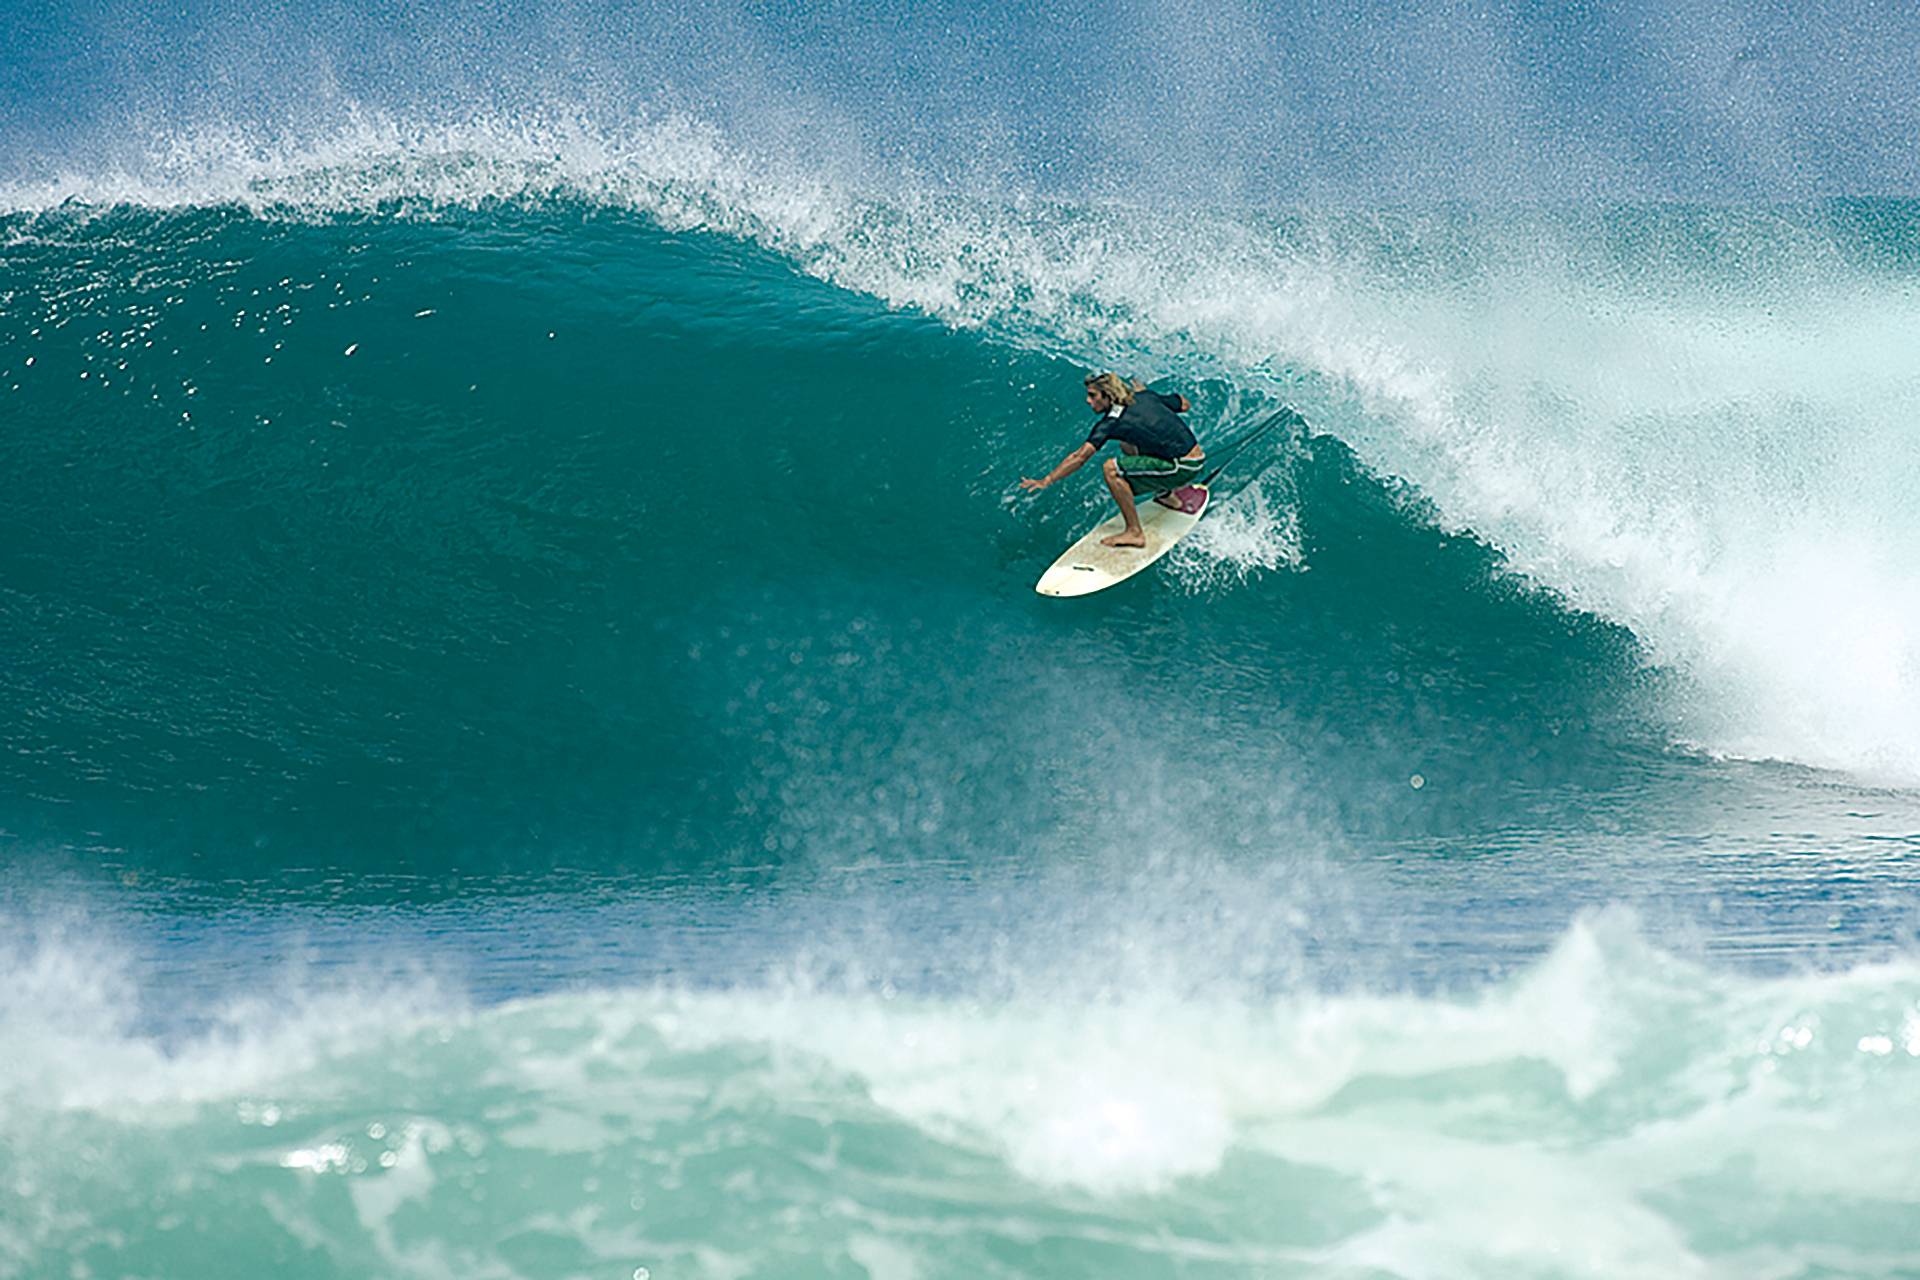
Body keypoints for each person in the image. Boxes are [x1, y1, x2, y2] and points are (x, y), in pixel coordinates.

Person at [1020, 372, 1204, 548]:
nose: (1088, 401)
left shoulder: (1112, 422)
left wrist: (1047, 480)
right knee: (1127, 445)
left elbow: (1080, 457)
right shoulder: (1145, 396)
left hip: (1181, 467)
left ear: (1107, 396)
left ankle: (1134, 532)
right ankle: (1168, 497)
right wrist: (1150, 399)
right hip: (1194, 459)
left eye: (1093, 396)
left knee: (1111, 469)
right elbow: (1185, 405)